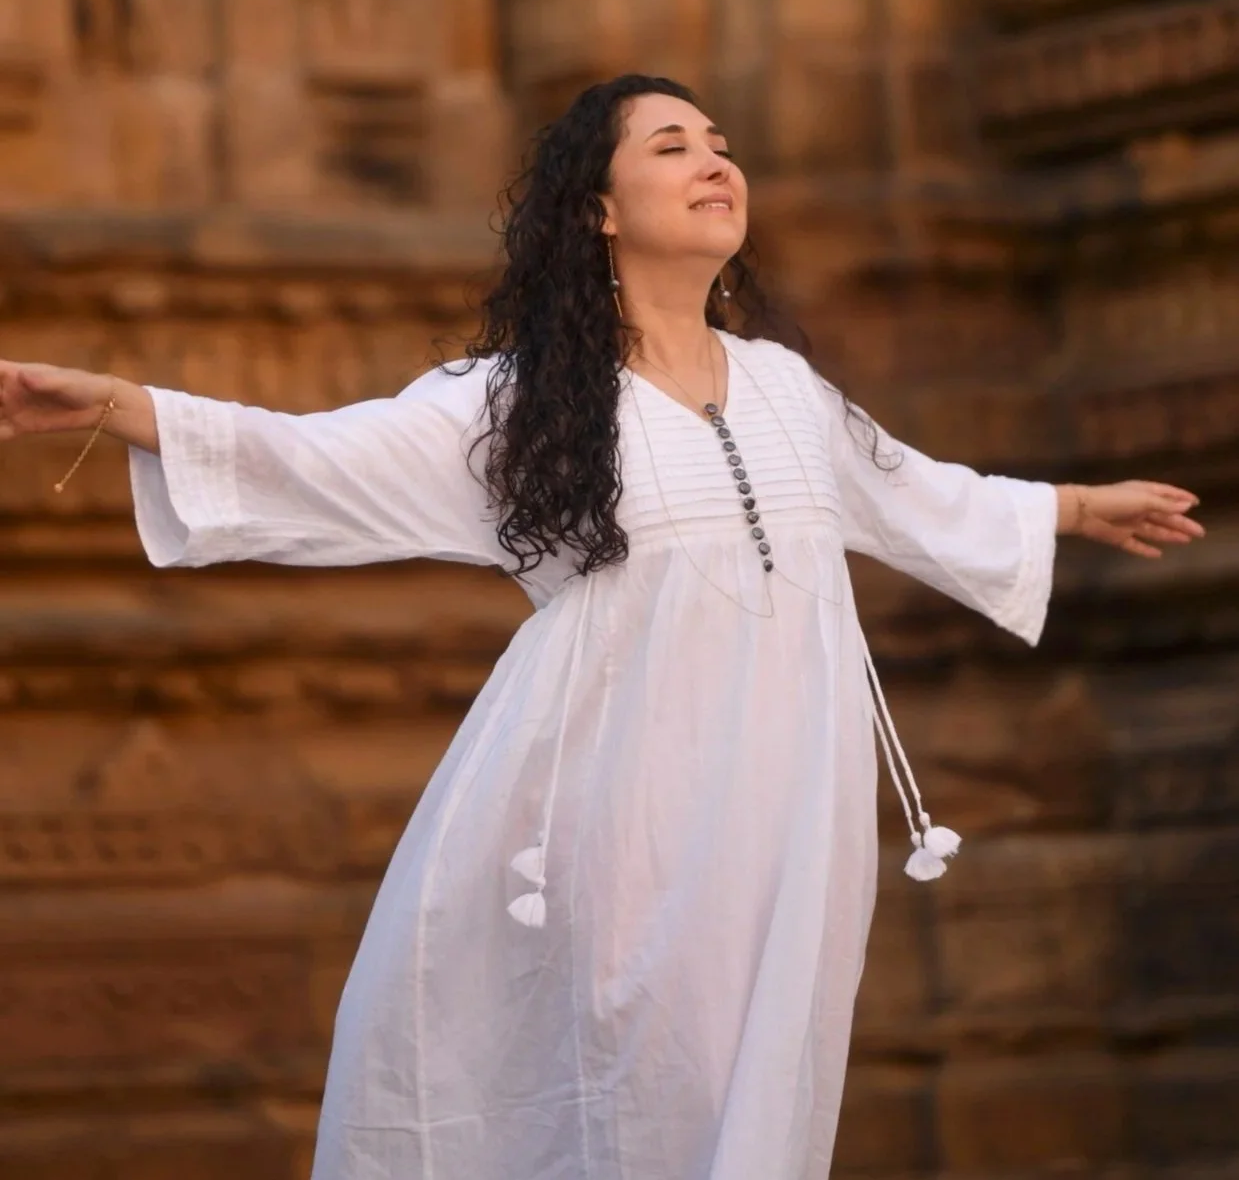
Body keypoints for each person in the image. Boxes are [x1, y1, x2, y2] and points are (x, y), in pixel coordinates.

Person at [0, 75, 1204, 1179]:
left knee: (764, 1084)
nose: (714, 162)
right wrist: (119, 404)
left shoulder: (786, 385)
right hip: (610, 817)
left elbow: (910, 492)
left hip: (785, 813)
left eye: (723, 145)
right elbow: (318, 459)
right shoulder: (517, 402)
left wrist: (1075, 506)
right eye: (672, 146)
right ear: (599, 213)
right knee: (636, 1085)